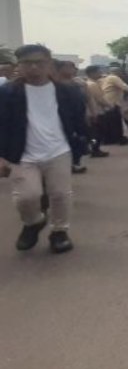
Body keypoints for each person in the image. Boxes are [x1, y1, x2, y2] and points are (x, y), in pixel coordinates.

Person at [0, 44, 87, 254]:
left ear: (49, 64)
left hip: (59, 150)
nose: (34, 68)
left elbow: (78, 120)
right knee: (26, 197)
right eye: (27, 63)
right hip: (22, 153)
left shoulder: (68, 92)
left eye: (39, 62)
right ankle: (33, 222)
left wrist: (82, 143)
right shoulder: (7, 93)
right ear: (18, 66)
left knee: (60, 194)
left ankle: (59, 232)